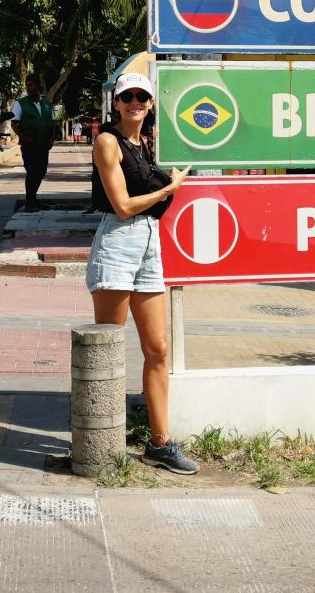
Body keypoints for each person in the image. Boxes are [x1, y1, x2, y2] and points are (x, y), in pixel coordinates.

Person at [86, 72, 196, 474]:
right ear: (116, 102)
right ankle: (102, 441)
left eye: (143, 97)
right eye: (127, 96)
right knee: (108, 351)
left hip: (151, 242)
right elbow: (122, 206)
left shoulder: (147, 144)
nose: (135, 102)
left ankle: (160, 443)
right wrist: (169, 190)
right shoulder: (107, 141)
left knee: (158, 349)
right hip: (118, 241)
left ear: (151, 104)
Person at [11, 74, 55, 213]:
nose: (28, 88)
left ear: (38, 86)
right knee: (32, 172)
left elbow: (53, 123)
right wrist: (24, 137)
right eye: (27, 85)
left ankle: (33, 200)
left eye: (31, 85)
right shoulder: (20, 103)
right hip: (29, 144)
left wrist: (52, 139)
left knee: (41, 171)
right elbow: (14, 124)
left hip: (43, 144)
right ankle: (30, 203)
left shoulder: (47, 103)